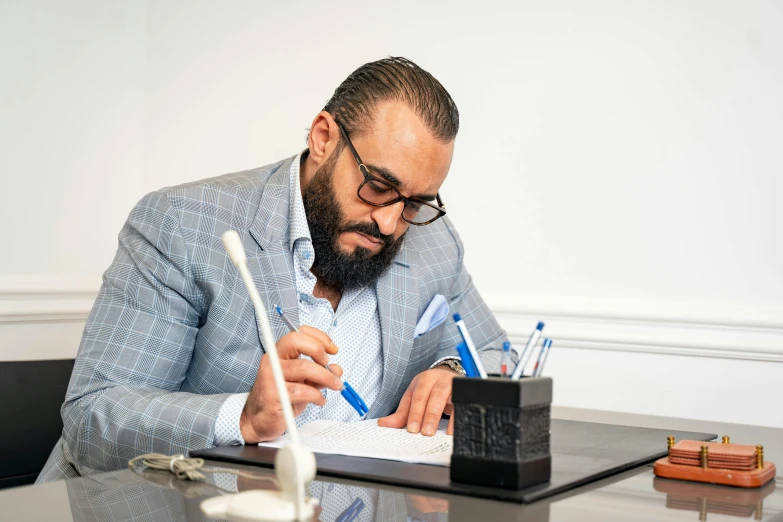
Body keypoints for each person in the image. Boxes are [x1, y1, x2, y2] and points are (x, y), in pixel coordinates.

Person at [38, 57, 508, 482]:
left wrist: (454, 372)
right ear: (323, 138)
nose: (389, 223)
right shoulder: (183, 222)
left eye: (416, 202)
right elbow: (92, 416)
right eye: (378, 186)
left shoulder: (432, 241)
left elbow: (498, 355)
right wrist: (242, 418)